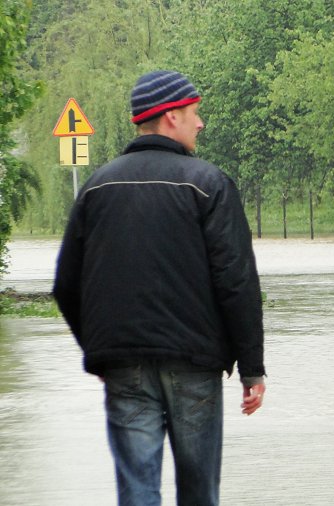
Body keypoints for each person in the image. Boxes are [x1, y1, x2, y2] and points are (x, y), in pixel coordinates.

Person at [53, 70, 266, 506]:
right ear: (171, 117)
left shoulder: (96, 188)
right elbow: (236, 281)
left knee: (137, 491)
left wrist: (98, 349)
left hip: (124, 366)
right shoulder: (208, 185)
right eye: (194, 113)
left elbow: (65, 284)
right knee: (200, 493)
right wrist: (252, 369)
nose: (200, 123)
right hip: (195, 364)